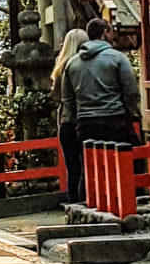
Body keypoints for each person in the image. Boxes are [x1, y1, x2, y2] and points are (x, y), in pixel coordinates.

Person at [58, 15, 144, 205]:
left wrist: (71, 122)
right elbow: (130, 91)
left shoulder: (72, 63)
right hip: (115, 119)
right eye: (111, 31)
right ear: (105, 33)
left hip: (85, 123)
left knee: (89, 166)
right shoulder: (117, 58)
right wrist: (132, 113)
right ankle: (133, 198)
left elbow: (68, 99)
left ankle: (89, 202)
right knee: (132, 158)